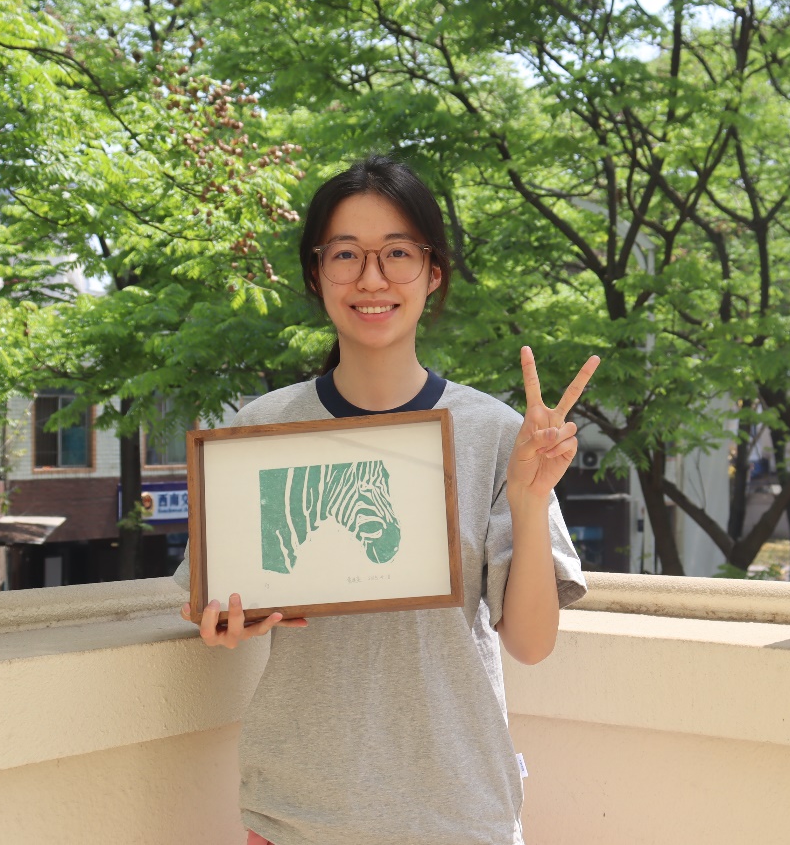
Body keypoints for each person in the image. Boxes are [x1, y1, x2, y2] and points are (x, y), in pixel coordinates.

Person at [173, 156, 598, 845]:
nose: (372, 279)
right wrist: (219, 620)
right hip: (297, 818)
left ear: (434, 273)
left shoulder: (497, 434)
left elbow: (530, 643)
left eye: (397, 253)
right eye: (346, 254)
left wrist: (529, 498)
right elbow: (210, 598)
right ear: (316, 274)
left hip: (461, 817)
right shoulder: (258, 432)